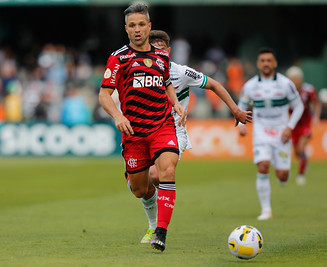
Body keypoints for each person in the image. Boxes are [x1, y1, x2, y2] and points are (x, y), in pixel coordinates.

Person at [134, 30, 252, 243]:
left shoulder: (181, 72)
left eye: (162, 49)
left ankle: (158, 228)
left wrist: (235, 110)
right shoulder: (139, 71)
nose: (158, 53)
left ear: (168, 51)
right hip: (145, 132)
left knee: (156, 174)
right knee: (139, 187)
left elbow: (214, 84)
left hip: (173, 131)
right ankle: (156, 216)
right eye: (154, 49)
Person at [98, 3, 187, 252]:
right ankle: (147, 206)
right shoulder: (118, 59)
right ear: (126, 29)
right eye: (132, 25)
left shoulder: (161, 56)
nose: (137, 30)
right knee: (140, 190)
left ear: (149, 26)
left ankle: (161, 232)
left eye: (141, 24)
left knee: (167, 170)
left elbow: (167, 82)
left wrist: (176, 104)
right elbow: (104, 95)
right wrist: (117, 115)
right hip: (134, 134)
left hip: (162, 127)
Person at [237, 48, 304, 220]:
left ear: (275, 63)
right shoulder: (250, 85)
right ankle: (266, 210)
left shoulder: (285, 83)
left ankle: (282, 175)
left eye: (269, 60)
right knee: (263, 166)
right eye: (263, 60)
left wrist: (290, 127)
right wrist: (240, 124)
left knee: (282, 175)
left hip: (282, 133)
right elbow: (241, 106)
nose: (266, 63)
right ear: (258, 64)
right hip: (261, 133)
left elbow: (299, 106)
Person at [286, 66, 322, 185]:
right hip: (292, 125)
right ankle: (304, 161)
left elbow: (316, 104)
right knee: (297, 152)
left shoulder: (309, 90)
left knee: (301, 148)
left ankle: (301, 175)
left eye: (296, 78)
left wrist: (316, 116)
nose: (294, 81)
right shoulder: (286, 91)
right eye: (292, 78)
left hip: (305, 123)